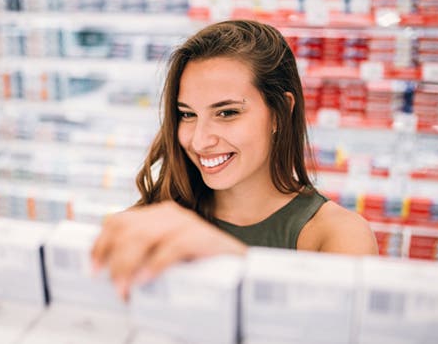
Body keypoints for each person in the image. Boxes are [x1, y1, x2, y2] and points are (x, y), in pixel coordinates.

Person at [91, 20, 378, 299]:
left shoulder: (337, 236)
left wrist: (230, 259)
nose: (200, 140)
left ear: (280, 112)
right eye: (187, 114)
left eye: (227, 113)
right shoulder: (154, 220)